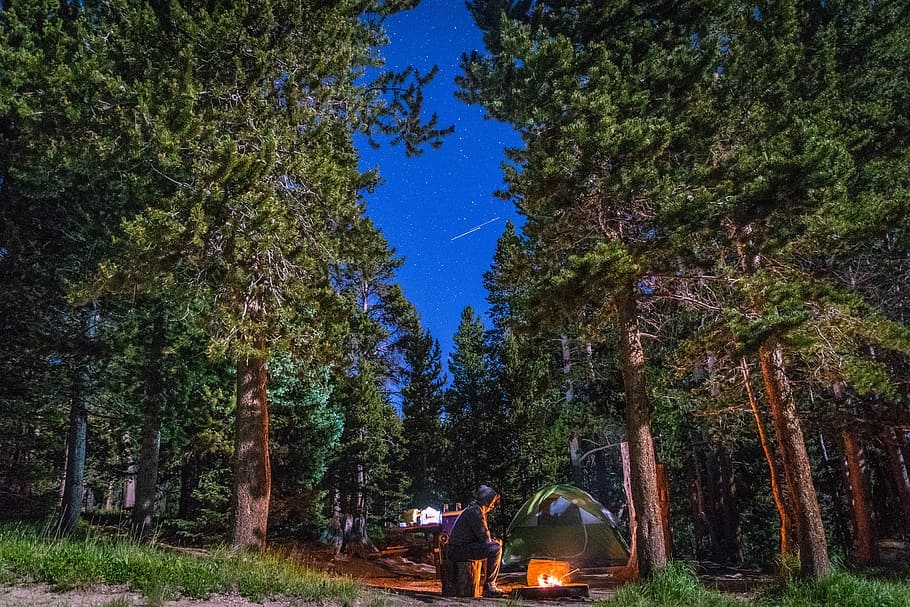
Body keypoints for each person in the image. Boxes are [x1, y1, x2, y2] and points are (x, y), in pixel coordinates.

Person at [446, 484, 505, 597]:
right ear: (488, 502)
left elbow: (482, 538)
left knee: (493, 546)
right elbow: (484, 538)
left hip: (459, 548)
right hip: (457, 551)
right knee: (495, 548)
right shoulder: (475, 512)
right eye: (492, 504)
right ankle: (489, 586)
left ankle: (489, 584)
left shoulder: (474, 509)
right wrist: (494, 542)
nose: (492, 507)